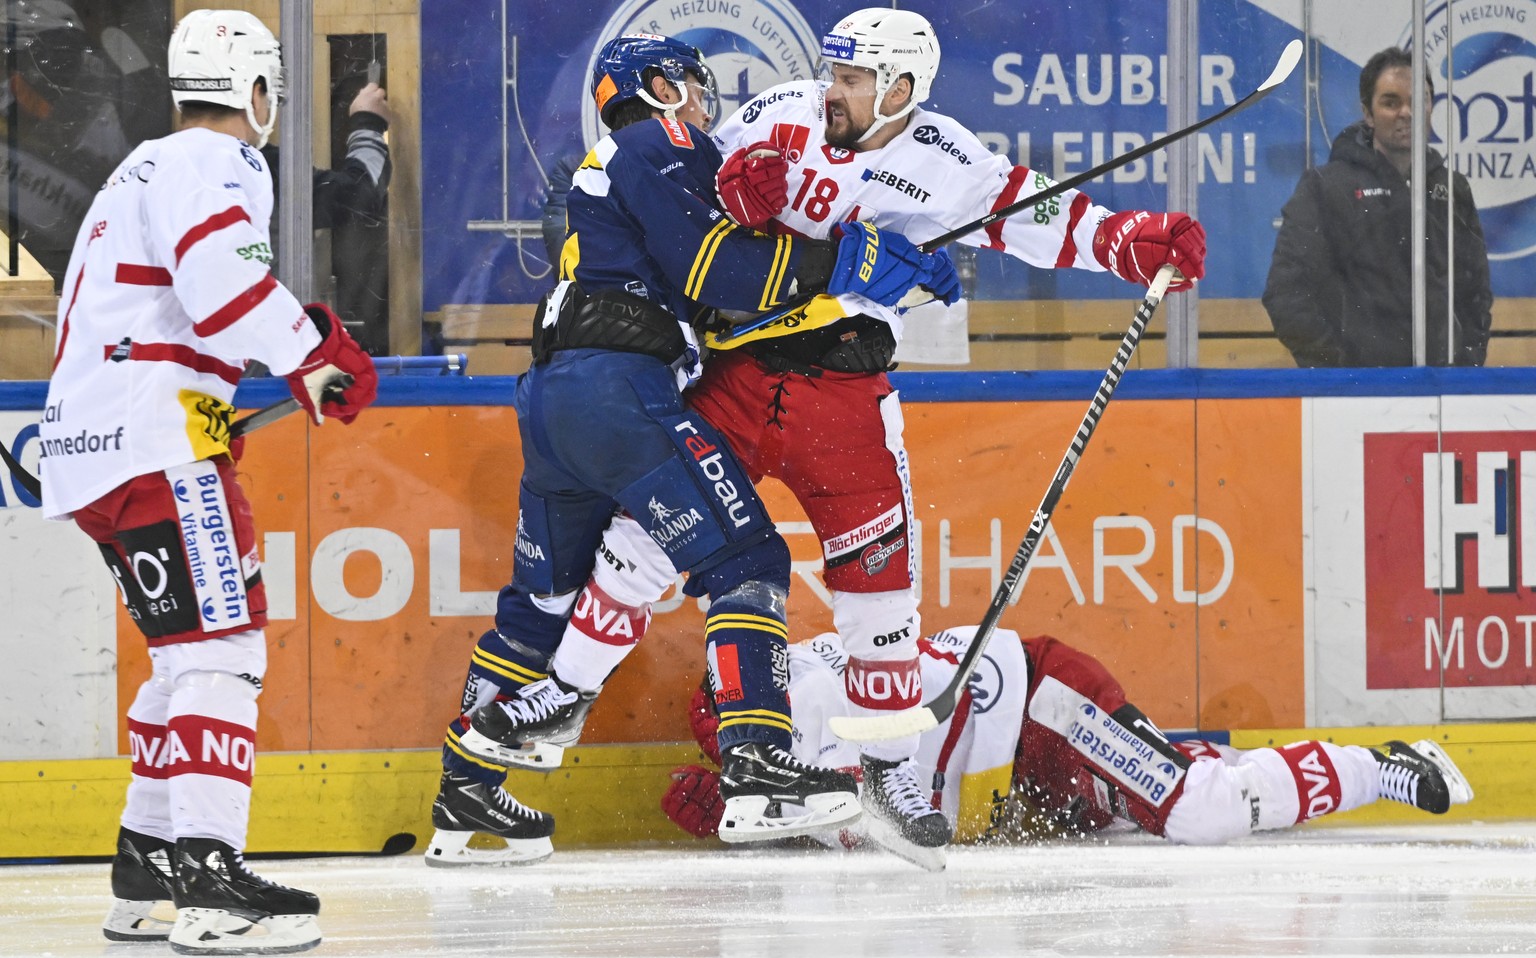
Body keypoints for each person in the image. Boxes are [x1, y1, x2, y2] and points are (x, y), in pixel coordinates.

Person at [459, 7, 1206, 870]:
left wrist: (1131, 242)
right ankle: (562, 696)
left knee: (881, 598)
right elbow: (697, 199)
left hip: (846, 394)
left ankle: (891, 772)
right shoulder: (781, 110)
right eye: (833, 72)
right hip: (737, 375)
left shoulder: (950, 158)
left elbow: (1042, 217)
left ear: (898, 89)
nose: (832, 91)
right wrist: (743, 188)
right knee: (644, 544)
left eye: (852, 79)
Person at [424, 33, 958, 868]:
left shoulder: (611, 164)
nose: (707, 105)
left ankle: (465, 788)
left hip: (554, 395)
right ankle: (758, 768)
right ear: (657, 88)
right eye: (693, 87)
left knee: (538, 608)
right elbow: (723, 273)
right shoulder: (661, 140)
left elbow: (713, 293)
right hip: (620, 393)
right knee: (747, 558)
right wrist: (849, 256)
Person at [37, 10, 377, 953]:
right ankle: (213, 884)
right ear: (259, 94)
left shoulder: (140, 166)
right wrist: (310, 355)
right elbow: (219, 288)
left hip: (93, 452)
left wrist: (281, 350)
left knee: (183, 656)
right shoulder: (218, 162)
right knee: (223, 653)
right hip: (156, 447)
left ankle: (147, 869)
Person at [661, 625, 1475, 854]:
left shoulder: (808, 689)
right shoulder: (762, 709)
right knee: (1164, 797)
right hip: (1020, 793)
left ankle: (1378, 767)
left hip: (1043, 704)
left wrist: (747, 819)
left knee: (1197, 813)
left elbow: (863, 808)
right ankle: (1182, 760)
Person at [1263, 46, 1493, 367]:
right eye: (1390, 102)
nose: (1406, 112)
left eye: (1418, 100)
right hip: (1356, 395)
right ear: (1367, 114)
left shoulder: (1453, 189)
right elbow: (1286, 292)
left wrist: (1465, 369)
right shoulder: (1324, 187)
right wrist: (1339, 373)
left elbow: (1475, 293)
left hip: (1442, 390)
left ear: (1431, 107)